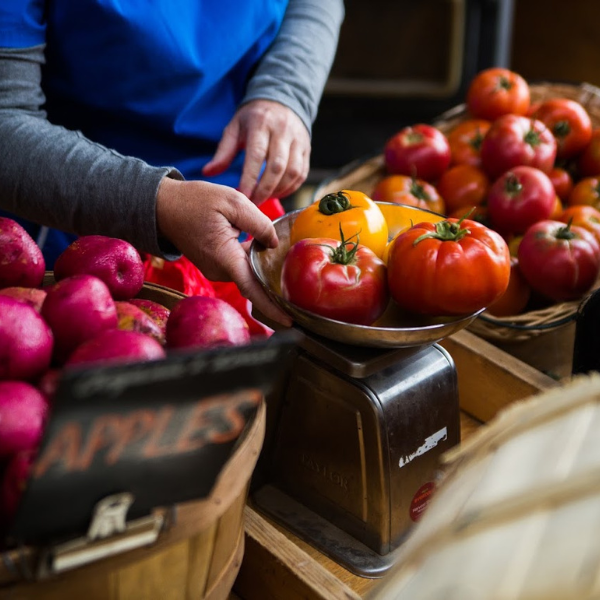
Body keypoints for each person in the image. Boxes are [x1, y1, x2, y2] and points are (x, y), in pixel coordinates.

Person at [0, 0, 345, 326]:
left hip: (241, 209)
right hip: (74, 233)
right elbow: (6, 121)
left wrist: (285, 90)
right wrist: (158, 204)